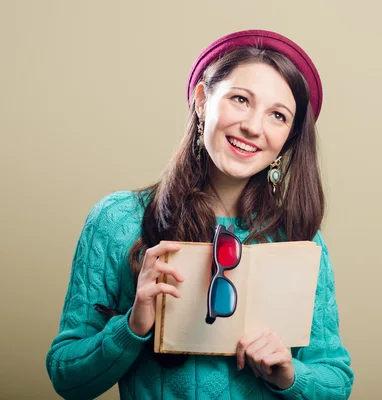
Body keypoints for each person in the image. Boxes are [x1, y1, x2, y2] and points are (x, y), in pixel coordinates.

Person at [46, 29, 354, 399]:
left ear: (288, 139)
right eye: (240, 99)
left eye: (277, 115)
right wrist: (132, 326)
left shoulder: (297, 239)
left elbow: (336, 382)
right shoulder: (117, 220)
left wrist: (289, 374)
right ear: (203, 100)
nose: (253, 128)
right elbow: (66, 378)